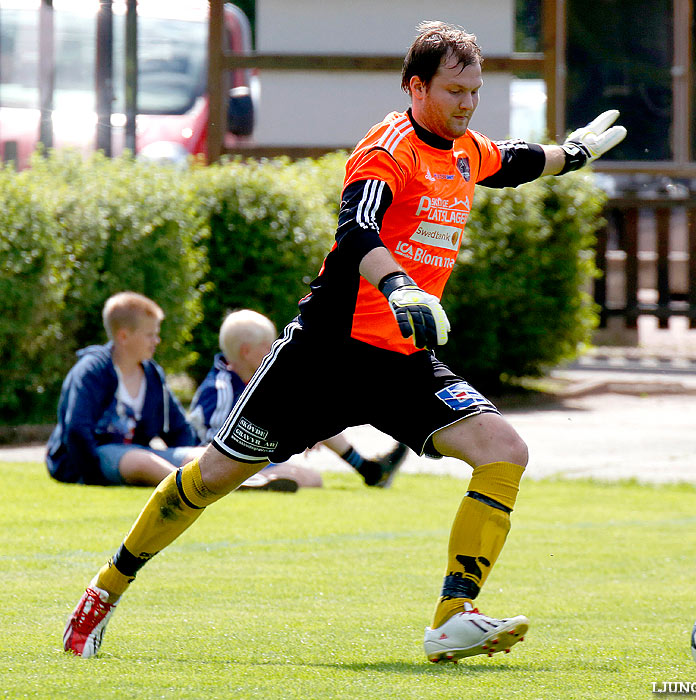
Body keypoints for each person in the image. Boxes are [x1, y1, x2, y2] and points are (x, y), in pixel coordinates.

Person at [62, 20, 626, 662]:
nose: (467, 104)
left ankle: (453, 615)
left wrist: (571, 154)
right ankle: (104, 591)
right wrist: (399, 288)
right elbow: (356, 228)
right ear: (416, 87)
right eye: (454, 91)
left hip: (403, 364)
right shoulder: (387, 148)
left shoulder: (465, 148)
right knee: (213, 477)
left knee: (504, 449)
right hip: (323, 361)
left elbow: (515, 161)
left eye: (474, 91)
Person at [189, 308, 409, 488]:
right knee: (308, 478)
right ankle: (254, 484)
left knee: (312, 418)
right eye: (267, 345)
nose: (273, 349)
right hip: (217, 462)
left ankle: (370, 470)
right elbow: (213, 445)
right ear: (246, 352)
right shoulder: (222, 388)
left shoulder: (259, 382)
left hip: (245, 459)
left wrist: (301, 432)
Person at [46, 291, 202, 487]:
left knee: (200, 456)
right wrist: (93, 477)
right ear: (124, 336)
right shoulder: (92, 371)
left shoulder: (152, 374)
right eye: (150, 335)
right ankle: (192, 487)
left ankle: (239, 482)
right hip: (95, 458)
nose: (157, 341)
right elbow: (77, 430)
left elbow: (177, 428)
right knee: (142, 461)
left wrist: (187, 456)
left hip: (139, 452)